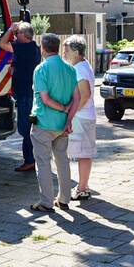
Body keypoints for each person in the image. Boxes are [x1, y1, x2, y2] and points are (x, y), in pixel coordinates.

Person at [29, 33, 81, 212]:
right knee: (62, 160)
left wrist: (62, 108)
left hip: (43, 123)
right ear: (57, 47)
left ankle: (46, 202)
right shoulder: (70, 69)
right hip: (62, 126)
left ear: (43, 48)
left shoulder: (40, 69)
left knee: (43, 162)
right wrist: (68, 119)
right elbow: (77, 97)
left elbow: (44, 98)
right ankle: (64, 199)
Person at [0, 21, 41, 172]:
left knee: (25, 129)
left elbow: (2, 43)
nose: (14, 37)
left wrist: (10, 28)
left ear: (23, 35)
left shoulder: (23, 47)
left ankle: (29, 160)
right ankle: (33, 158)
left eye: (17, 34)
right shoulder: (34, 47)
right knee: (30, 127)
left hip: (25, 94)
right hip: (30, 92)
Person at [61, 35, 97, 199]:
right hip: (86, 116)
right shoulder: (84, 65)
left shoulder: (78, 69)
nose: (64, 52)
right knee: (85, 153)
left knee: (82, 153)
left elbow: (85, 95)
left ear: (76, 51)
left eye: (66, 49)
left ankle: (82, 189)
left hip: (81, 118)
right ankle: (84, 185)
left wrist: (71, 113)